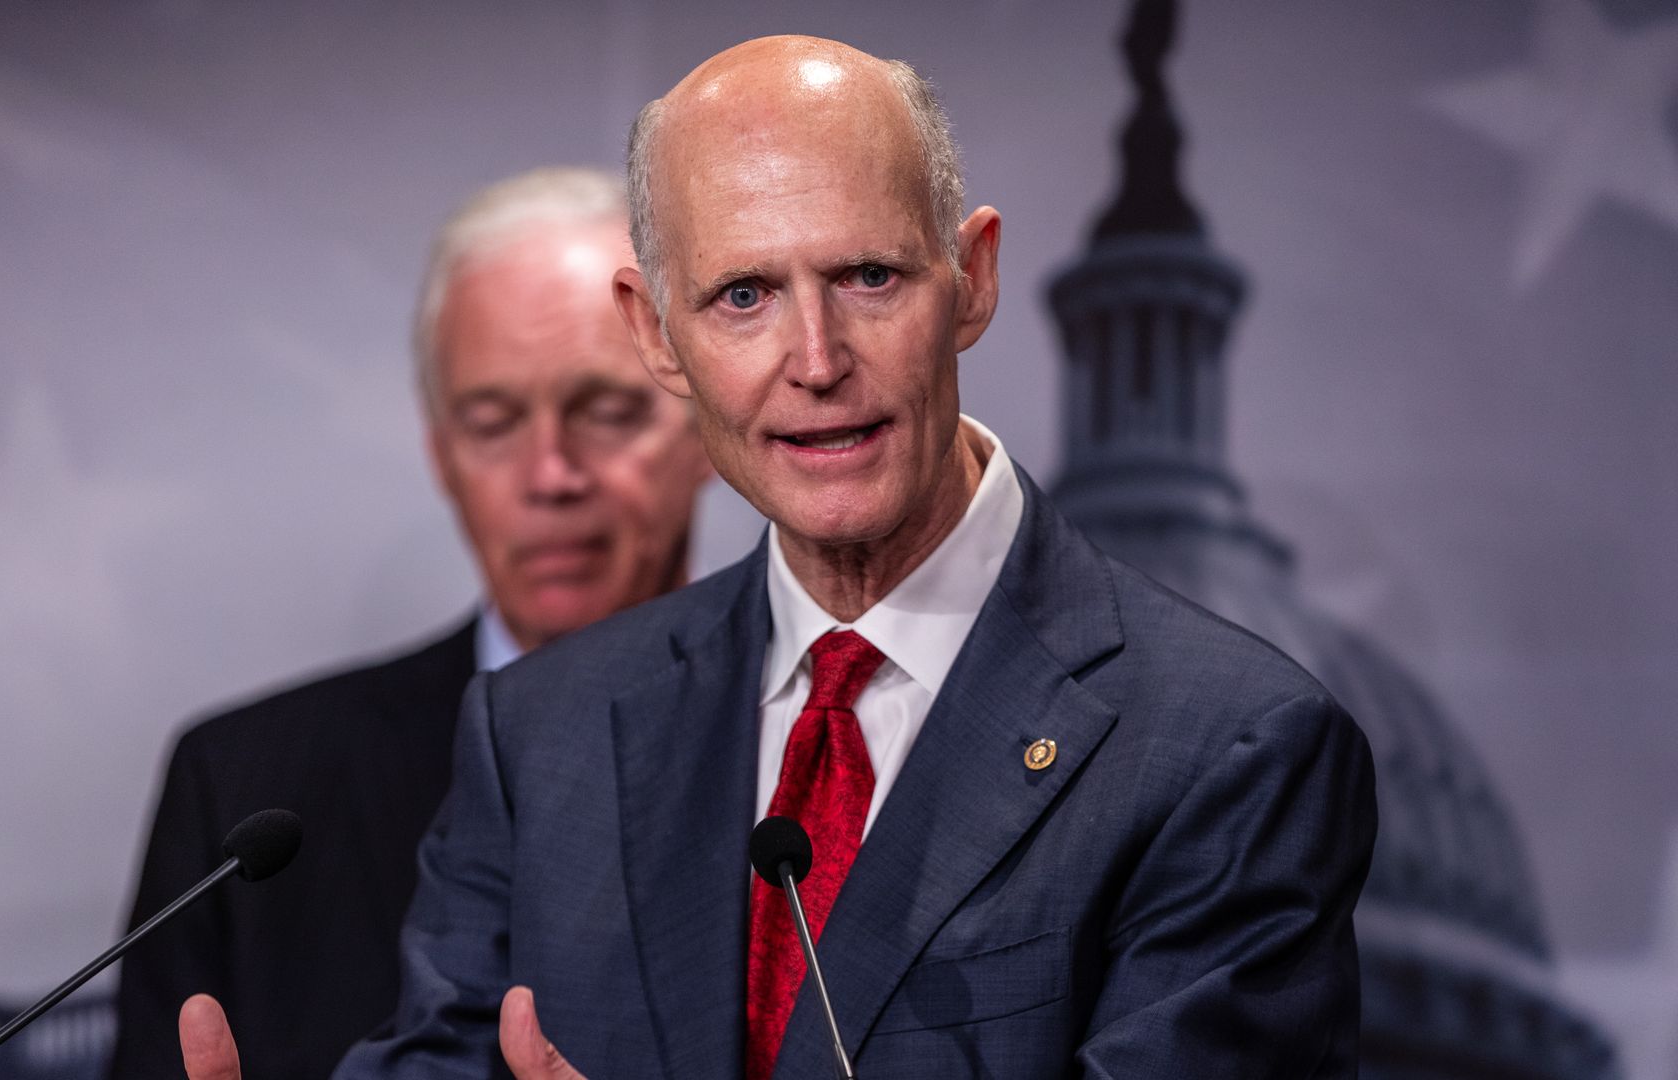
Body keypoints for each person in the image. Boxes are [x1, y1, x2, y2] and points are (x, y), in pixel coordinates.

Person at [185, 35, 1377, 1080]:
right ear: (657, 334)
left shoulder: (1232, 747)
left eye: (867, 277)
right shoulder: (541, 731)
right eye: (743, 294)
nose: (815, 359)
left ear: (973, 279)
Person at [108, 166, 712, 1080]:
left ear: (709, 426)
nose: (550, 475)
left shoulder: (823, 741)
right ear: (439, 454)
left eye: (608, 410)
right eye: (493, 421)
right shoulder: (243, 793)